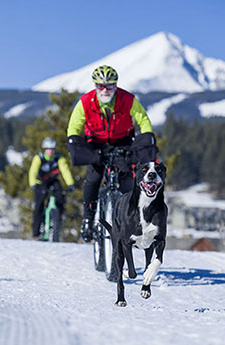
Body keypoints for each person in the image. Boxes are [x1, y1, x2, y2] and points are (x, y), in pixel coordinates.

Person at [66, 65, 157, 242]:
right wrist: (77, 144)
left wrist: (146, 139)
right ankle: (88, 218)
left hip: (122, 141)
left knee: (128, 182)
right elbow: (74, 127)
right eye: (101, 86)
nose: (105, 90)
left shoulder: (127, 99)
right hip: (96, 143)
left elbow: (143, 120)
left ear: (116, 86)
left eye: (109, 86)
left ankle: (133, 217)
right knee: (92, 178)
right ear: (95, 86)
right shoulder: (85, 102)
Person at [28, 137, 75, 240]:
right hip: (41, 182)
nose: (50, 151)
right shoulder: (39, 158)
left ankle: (57, 219)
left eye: (52, 149)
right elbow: (33, 171)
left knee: (60, 199)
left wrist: (70, 184)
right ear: (44, 149)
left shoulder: (59, 159)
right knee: (39, 206)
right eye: (48, 149)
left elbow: (65, 171)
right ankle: (36, 234)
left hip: (53, 182)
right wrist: (33, 183)